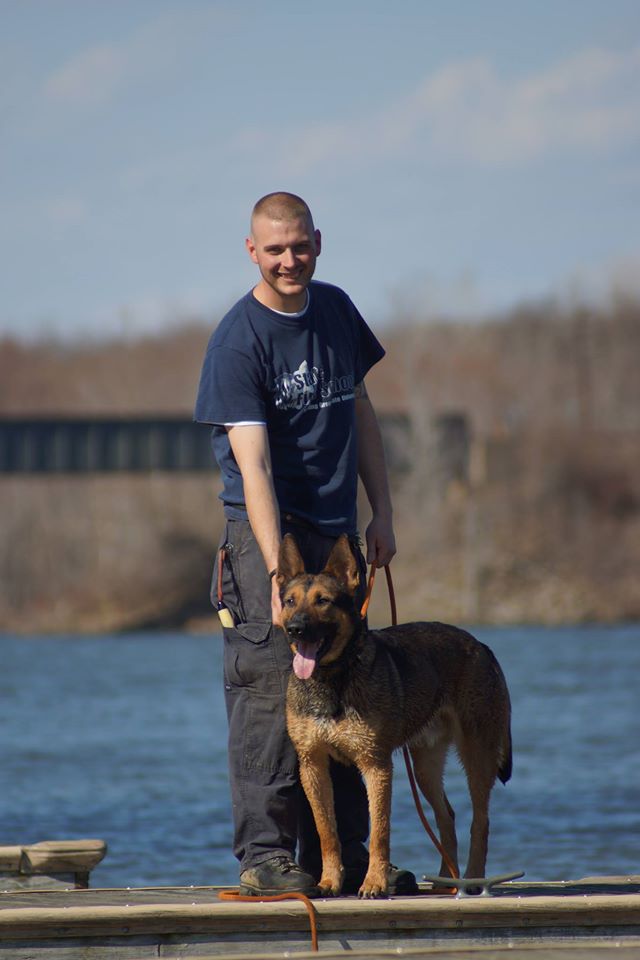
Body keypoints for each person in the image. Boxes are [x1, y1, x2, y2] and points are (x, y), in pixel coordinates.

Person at [194, 192, 417, 897]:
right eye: (275, 249)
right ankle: (265, 857)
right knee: (270, 689)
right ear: (252, 252)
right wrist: (272, 563)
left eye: (300, 246)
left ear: (318, 242)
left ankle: (351, 861)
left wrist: (380, 511)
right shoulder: (238, 341)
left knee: (357, 689)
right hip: (266, 534)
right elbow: (253, 464)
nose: (290, 260)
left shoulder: (338, 311)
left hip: (338, 534)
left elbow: (362, 414)